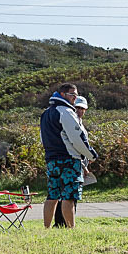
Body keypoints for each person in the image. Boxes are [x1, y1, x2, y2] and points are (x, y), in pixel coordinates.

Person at [40, 83, 98, 228]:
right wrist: (91, 155)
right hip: (68, 160)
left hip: (51, 160)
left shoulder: (46, 113)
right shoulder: (65, 111)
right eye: (73, 95)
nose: (75, 98)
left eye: (76, 95)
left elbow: (42, 138)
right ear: (63, 94)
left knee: (52, 196)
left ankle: (46, 228)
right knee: (69, 197)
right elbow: (77, 138)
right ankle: (71, 229)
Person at [53, 95, 92, 227]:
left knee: (71, 197)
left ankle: (66, 222)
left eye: (82, 108)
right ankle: (62, 223)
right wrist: (84, 165)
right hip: (71, 162)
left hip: (79, 164)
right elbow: (73, 146)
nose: (80, 111)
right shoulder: (69, 122)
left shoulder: (80, 123)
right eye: (77, 108)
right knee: (67, 196)